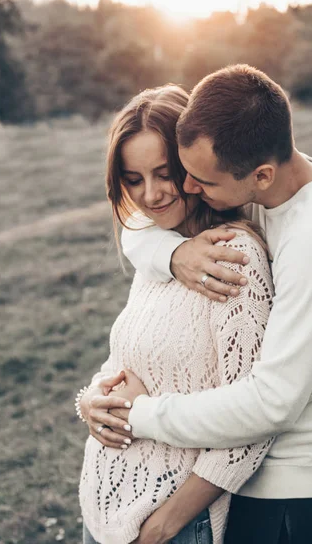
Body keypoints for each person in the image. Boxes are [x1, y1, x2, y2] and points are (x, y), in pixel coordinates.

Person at [113, 65, 312, 544]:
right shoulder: (272, 184)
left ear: (260, 175)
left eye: (202, 181)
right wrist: (174, 254)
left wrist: (139, 415)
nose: (191, 189)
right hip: (253, 491)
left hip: (301, 506)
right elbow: (142, 224)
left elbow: (272, 402)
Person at [76, 85, 274, 544]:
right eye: (132, 179)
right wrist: (89, 403)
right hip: (105, 509)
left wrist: (165, 526)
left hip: (172, 522)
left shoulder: (231, 260)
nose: (151, 195)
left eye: (164, 173)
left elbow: (253, 426)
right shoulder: (163, 253)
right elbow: (128, 360)